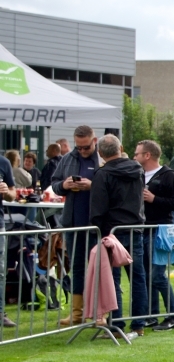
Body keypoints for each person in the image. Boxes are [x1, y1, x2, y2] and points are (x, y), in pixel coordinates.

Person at [90, 134, 148, 335]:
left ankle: (117, 325)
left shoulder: (102, 174)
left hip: (112, 231)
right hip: (135, 228)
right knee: (138, 278)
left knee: (112, 280)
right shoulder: (138, 170)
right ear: (121, 148)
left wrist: (97, 230)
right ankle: (139, 324)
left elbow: (97, 208)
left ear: (100, 153)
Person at [50, 126, 101, 326]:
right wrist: (64, 185)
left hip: (97, 224)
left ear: (94, 141)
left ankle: (99, 313)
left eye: (86, 147)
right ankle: (77, 313)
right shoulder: (68, 159)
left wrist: (92, 186)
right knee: (77, 267)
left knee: (99, 269)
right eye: (78, 147)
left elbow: (112, 187)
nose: (82, 151)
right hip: (73, 223)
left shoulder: (102, 159)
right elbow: (54, 183)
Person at [135, 140, 174, 331]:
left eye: (137, 154)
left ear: (147, 155)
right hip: (143, 229)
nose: (134, 157)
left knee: (157, 275)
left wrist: (154, 199)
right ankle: (152, 315)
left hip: (160, 231)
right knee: (147, 275)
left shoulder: (169, 176)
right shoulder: (138, 174)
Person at [0, 154, 17, 328]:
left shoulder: (3, 162)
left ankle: (0, 313)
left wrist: (6, 192)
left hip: (0, 225)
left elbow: (13, 194)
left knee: (0, 271)